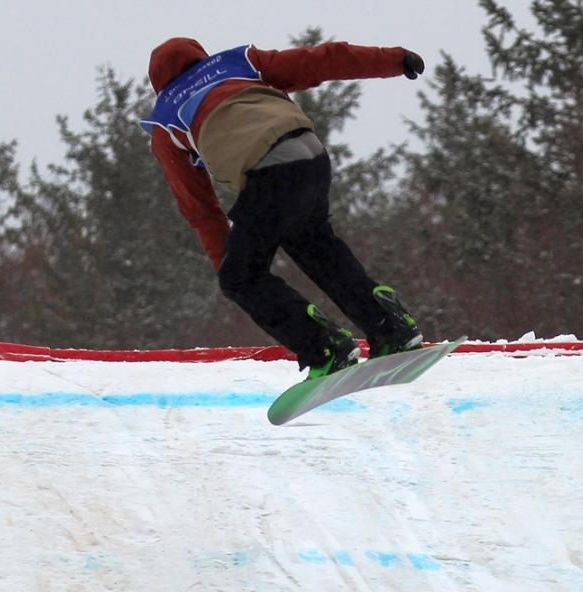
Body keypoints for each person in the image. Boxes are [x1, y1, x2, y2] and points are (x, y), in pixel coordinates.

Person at [142, 37, 426, 377]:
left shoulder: (166, 121)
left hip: (270, 172)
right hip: (311, 156)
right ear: (201, 57)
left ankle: (324, 346)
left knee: (241, 278)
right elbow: (321, 60)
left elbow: (201, 210)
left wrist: (228, 267)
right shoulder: (241, 63)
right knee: (316, 247)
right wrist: (395, 60)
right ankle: (391, 329)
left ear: (160, 85)